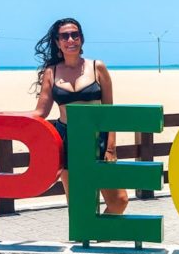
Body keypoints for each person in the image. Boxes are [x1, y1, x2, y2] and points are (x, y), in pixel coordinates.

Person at [22, 17, 128, 214]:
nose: (71, 39)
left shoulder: (97, 67)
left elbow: (109, 111)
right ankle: (90, 241)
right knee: (80, 207)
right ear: (57, 42)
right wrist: (4, 114)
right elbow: (40, 112)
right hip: (67, 140)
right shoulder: (51, 72)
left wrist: (111, 147)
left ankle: (100, 236)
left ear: (81, 39)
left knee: (119, 200)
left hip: (98, 140)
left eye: (75, 34)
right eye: (65, 36)